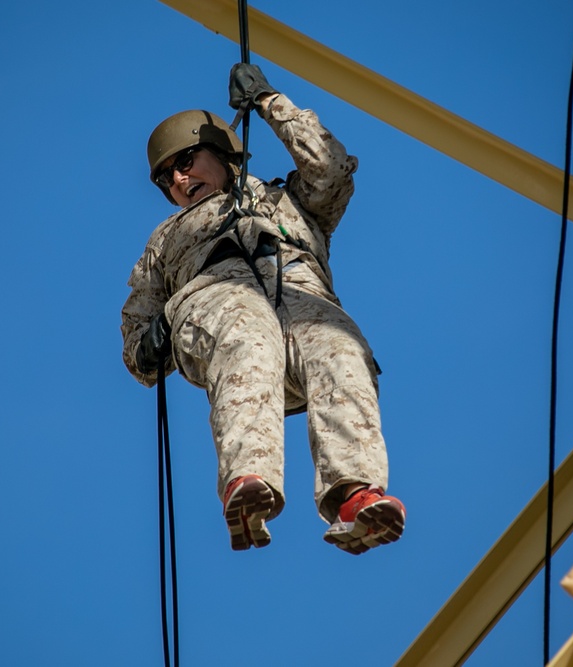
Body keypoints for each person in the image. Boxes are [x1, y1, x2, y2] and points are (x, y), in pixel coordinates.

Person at [121, 63, 405, 555]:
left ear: (224, 155)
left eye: (187, 160)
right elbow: (136, 343)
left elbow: (332, 168)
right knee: (245, 331)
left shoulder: (287, 201)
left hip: (298, 296)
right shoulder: (164, 241)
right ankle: (248, 481)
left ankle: (355, 495)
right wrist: (152, 341)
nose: (178, 178)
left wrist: (272, 105)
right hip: (213, 302)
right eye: (167, 177)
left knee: (340, 346)